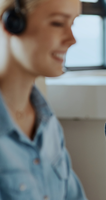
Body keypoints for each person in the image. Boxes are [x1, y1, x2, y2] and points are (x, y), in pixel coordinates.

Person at [0, 0, 87, 199]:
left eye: (72, 24)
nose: (72, 39)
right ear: (11, 23)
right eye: (58, 23)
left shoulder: (47, 123)